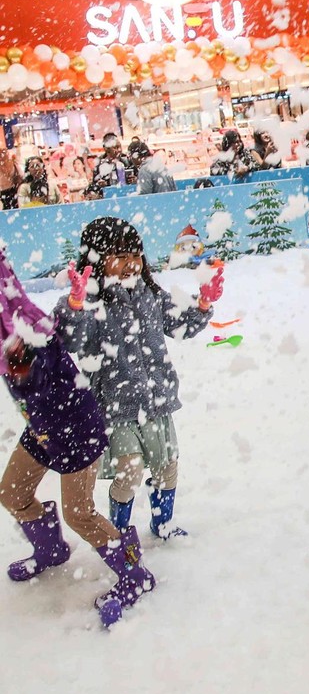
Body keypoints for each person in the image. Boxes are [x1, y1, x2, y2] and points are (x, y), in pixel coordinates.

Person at [0, 247, 155, 628]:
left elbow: (40, 374)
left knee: (79, 513)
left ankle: (135, 573)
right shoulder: (10, 333)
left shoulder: (27, 333)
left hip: (76, 431)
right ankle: (51, 550)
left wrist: (23, 362)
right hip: (42, 429)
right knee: (12, 492)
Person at [53, 217, 224, 540]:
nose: (131, 263)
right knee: (129, 469)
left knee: (167, 467)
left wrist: (202, 304)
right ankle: (118, 531)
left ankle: (163, 523)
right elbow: (71, 339)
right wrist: (74, 304)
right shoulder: (91, 303)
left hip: (156, 401)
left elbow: (180, 324)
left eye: (135, 255)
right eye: (119, 256)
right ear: (96, 260)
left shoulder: (150, 295)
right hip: (116, 406)